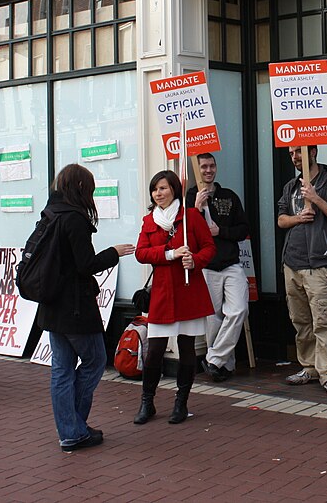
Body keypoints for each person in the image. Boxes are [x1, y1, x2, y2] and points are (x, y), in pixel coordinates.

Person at [36, 164, 133, 452]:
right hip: (75, 308)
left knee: (61, 370)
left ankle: (71, 430)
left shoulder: (49, 215)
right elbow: (86, 265)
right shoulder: (74, 219)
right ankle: (73, 428)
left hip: (52, 306)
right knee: (94, 362)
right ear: (81, 189)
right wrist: (113, 253)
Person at [134, 169, 216, 425]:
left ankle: (181, 402)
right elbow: (141, 253)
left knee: (187, 348)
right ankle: (147, 402)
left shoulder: (191, 216)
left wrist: (195, 261)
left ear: (174, 189)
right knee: (155, 349)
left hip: (188, 290)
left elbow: (209, 248)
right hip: (162, 293)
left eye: (163, 188)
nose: (158, 194)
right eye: (155, 189)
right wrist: (169, 254)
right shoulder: (149, 221)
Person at [277, 145, 327, 398]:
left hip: (318, 264)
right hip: (292, 263)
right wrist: (298, 218)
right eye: (291, 153)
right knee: (301, 320)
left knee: (323, 320)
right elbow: (281, 219)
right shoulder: (290, 186)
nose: (295, 157)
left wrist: (317, 199)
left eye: (299, 151)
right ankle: (309, 367)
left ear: (313, 152)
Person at [185, 153, 250, 382]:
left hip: (231, 265)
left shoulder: (229, 196)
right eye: (203, 166)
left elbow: (243, 229)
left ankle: (212, 359)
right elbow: (186, 234)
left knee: (238, 309)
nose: (208, 170)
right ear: (198, 170)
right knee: (213, 319)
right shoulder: (190, 197)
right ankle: (224, 366)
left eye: (212, 166)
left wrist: (220, 231)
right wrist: (195, 209)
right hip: (207, 267)